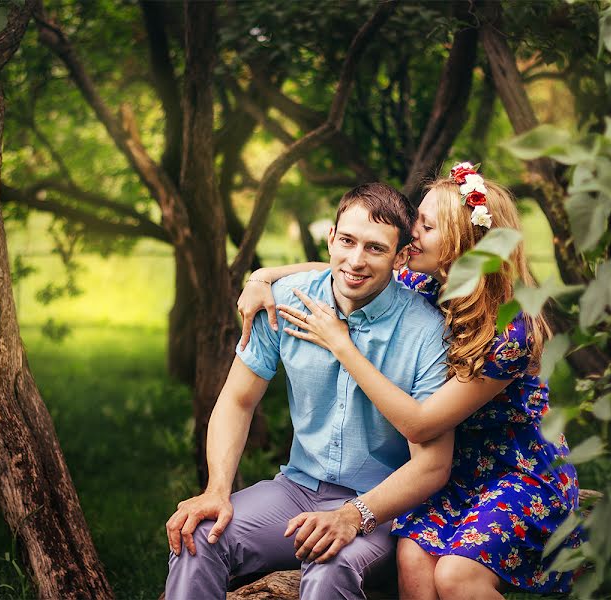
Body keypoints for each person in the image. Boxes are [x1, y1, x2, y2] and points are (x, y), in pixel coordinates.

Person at [237, 163, 581, 599]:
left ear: (463, 244)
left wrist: (344, 346)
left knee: (457, 575)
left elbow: (421, 426)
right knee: (412, 557)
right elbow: (344, 263)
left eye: (426, 225)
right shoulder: (425, 283)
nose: (410, 232)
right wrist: (262, 278)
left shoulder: (509, 330)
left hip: (516, 473)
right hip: (453, 471)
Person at [165, 183, 453, 600]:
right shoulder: (282, 301)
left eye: (375, 248)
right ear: (331, 238)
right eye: (348, 241)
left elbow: (431, 467)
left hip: (384, 508)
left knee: (328, 566)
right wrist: (217, 489)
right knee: (200, 536)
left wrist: (353, 516)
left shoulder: (426, 332)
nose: (355, 261)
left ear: (401, 256)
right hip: (296, 489)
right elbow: (237, 400)